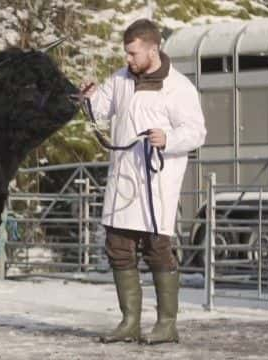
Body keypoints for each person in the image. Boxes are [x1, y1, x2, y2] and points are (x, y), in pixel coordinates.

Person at [79, 19, 206, 345]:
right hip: (123, 178)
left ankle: (166, 324)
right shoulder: (121, 79)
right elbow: (102, 110)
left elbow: (197, 132)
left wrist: (169, 137)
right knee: (118, 247)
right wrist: (89, 98)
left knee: (157, 249)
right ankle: (129, 322)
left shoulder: (179, 87)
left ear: (152, 49)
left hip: (156, 180)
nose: (128, 60)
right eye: (127, 53)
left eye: (133, 53)